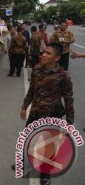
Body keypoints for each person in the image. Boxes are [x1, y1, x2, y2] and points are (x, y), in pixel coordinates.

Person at [20, 42, 74, 185]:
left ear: (57, 58)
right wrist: (24, 106)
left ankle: (45, 174)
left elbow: (68, 99)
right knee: (28, 139)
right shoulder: (37, 69)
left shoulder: (63, 75)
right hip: (35, 113)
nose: (43, 54)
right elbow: (32, 90)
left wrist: (69, 121)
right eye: (43, 52)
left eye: (48, 53)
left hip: (52, 115)